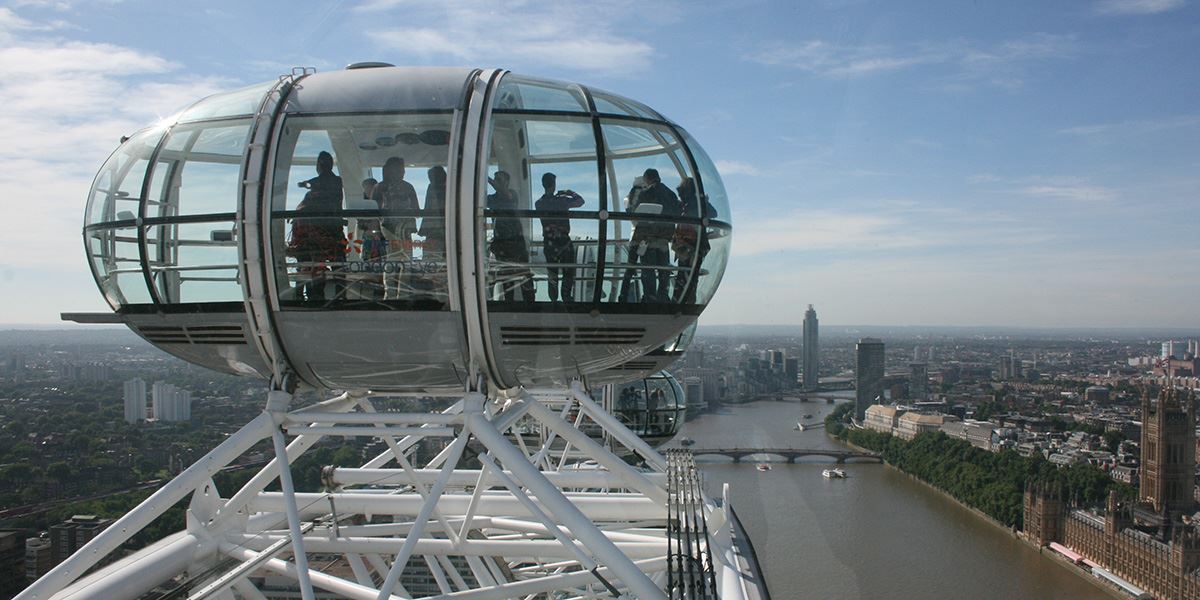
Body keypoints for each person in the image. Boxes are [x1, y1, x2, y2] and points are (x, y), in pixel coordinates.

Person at [287, 151, 345, 302]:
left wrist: (304, 185)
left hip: (321, 232)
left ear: (319, 165)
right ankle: (338, 294)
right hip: (325, 230)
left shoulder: (332, 181)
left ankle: (310, 295)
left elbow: (312, 185)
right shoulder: (333, 183)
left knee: (311, 261)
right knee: (321, 263)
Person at [620, 168, 679, 303]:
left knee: (648, 270)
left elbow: (635, 213)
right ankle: (663, 296)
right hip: (664, 238)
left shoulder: (646, 193)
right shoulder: (671, 194)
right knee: (663, 269)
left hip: (648, 237)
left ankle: (650, 297)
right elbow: (677, 212)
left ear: (647, 179)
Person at [372, 157, 418, 300]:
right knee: (393, 261)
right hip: (388, 230)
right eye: (399, 169)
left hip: (403, 230)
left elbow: (416, 209)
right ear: (390, 169)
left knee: (403, 262)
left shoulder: (406, 187)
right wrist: (376, 231)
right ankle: (392, 294)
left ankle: (400, 294)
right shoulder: (381, 187)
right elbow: (373, 210)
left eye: (402, 169)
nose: (402, 172)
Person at [534, 172, 585, 303]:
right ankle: (566, 298)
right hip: (564, 241)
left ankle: (553, 300)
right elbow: (580, 201)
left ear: (543, 184)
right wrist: (569, 192)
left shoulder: (538, 203)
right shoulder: (562, 200)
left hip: (549, 242)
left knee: (552, 273)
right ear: (554, 184)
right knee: (568, 272)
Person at [486, 170, 534, 301]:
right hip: (502, 242)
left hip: (516, 241)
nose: (497, 183)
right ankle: (510, 304)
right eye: (496, 180)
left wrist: (489, 180)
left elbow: (507, 196)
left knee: (524, 275)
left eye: (500, 180)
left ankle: (531, 305)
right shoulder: (492, 199)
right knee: (507, 277)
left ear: (507, 182)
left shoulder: (512, 194)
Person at [672, 177, 716, 304]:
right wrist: (705, 202)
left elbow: (712, 213)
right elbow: (713, 213)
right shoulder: (698, 203)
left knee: (684, 275)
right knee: (690, 276)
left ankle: (680, 300)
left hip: (688, 246)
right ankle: (687, 300)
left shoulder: (687, 205)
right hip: (694, 246)